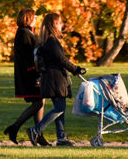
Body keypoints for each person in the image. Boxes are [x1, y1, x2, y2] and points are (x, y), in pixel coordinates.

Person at [28, 11, 86, 147]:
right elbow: (61, 60)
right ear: (54, 24)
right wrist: (76, 69)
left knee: (60, 108)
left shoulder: (47, 41)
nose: (62, 25)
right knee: (59, 108)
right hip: (55, 79)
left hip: (53, 78)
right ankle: (35, 130)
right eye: (60, 23)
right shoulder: (51, 41)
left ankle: (61, 138)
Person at [3, 8, 48, 145]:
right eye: (34, 17)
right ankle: (15, 127)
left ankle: (38, 134)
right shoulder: (23, 33)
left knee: (39, 102)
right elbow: (28, 57)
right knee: (39, 102)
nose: (36, 20)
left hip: (30, 73)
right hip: (29, 75)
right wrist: (36, 74)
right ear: (28, 18)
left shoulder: (27, 32)